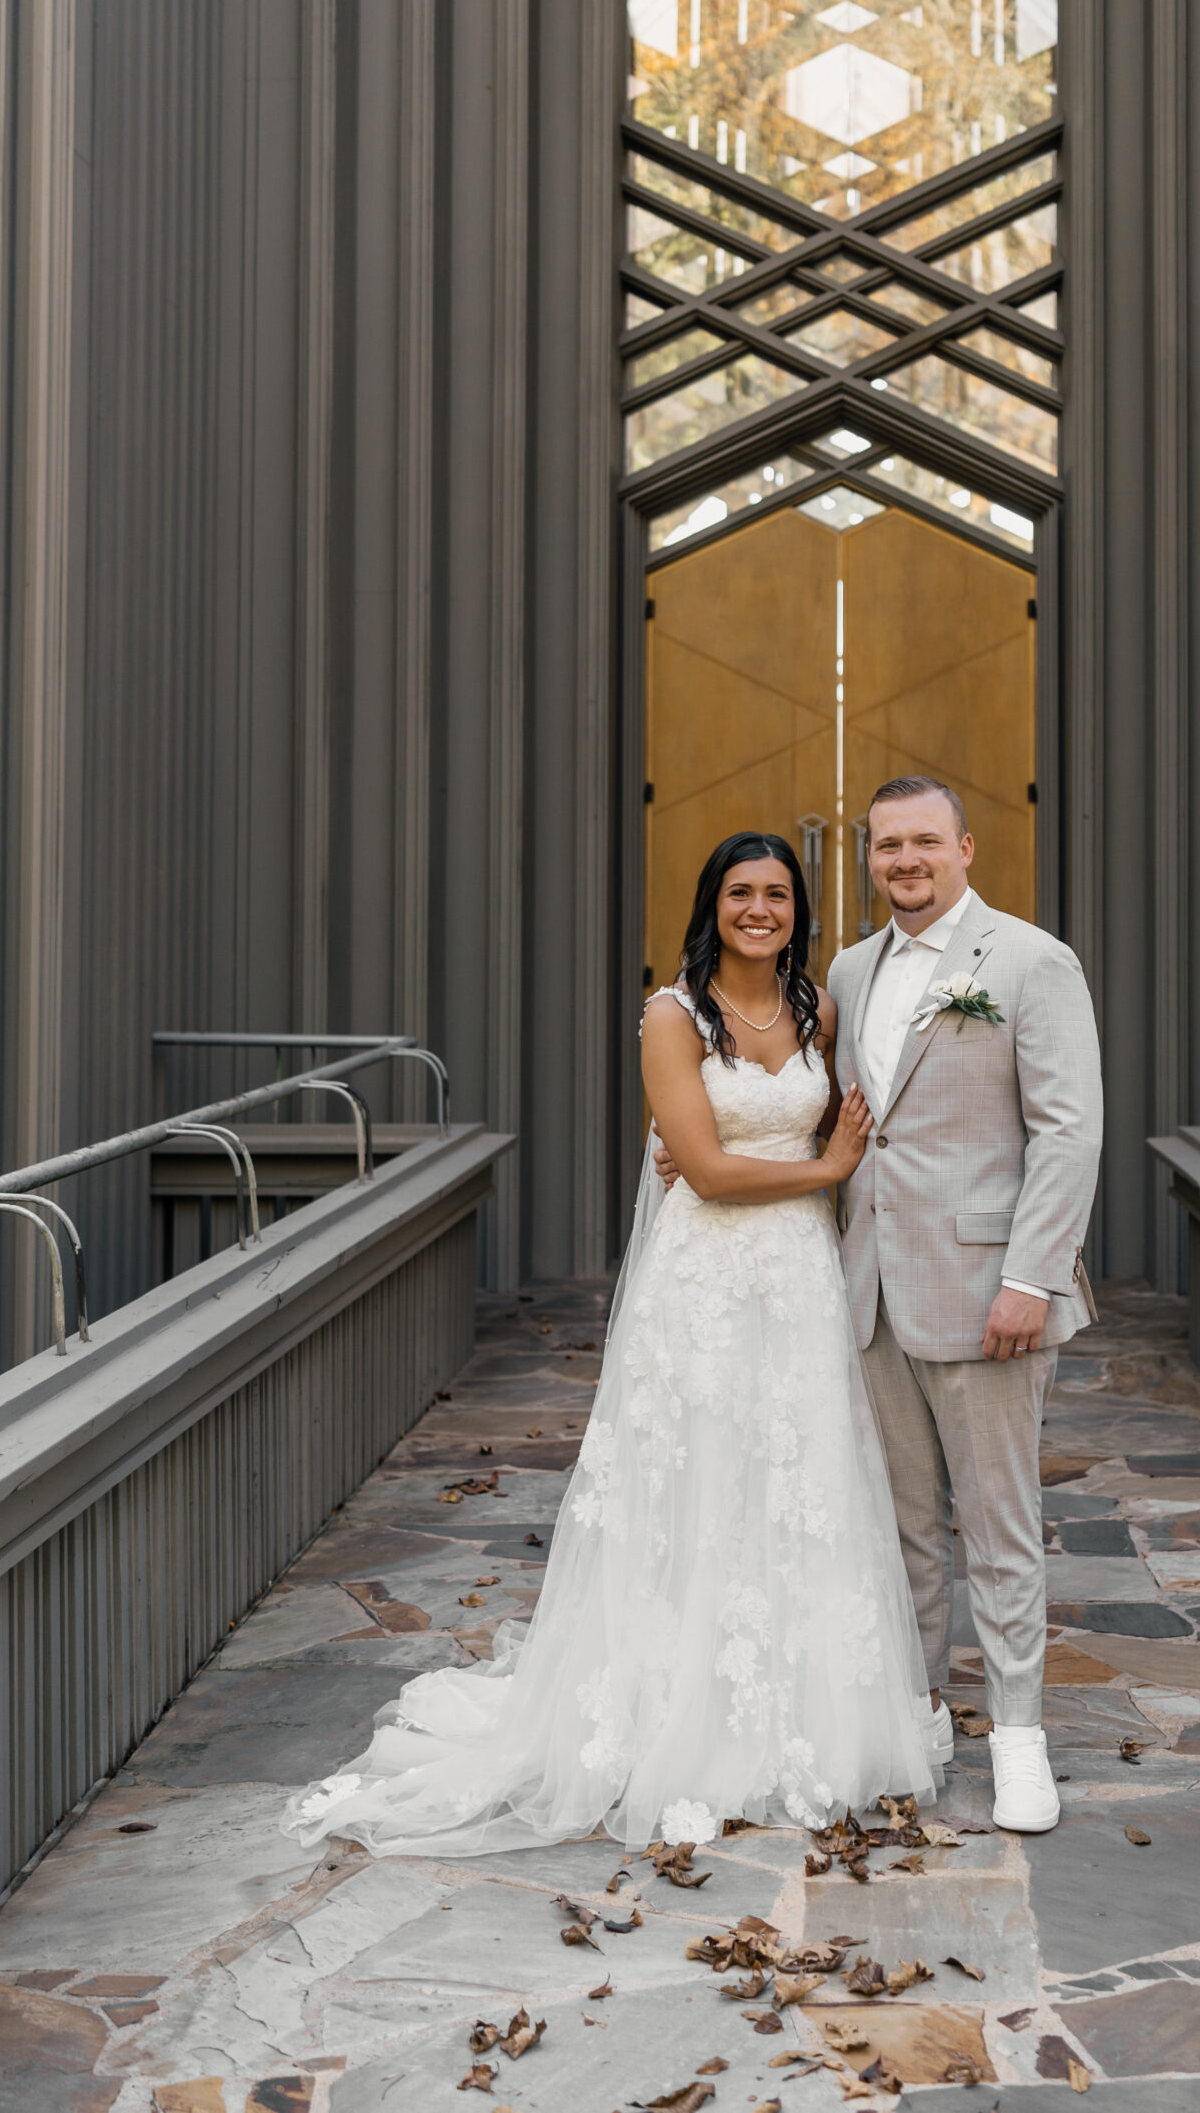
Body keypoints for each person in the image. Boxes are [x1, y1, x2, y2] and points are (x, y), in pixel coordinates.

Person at [282, 831, 936, 1857]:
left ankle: (801, 1715)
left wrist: (831, 1163)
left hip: (800, 1283)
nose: (758, 908)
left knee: (796, 1475)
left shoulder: (820, 1007)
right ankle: (677, 1718)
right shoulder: (672, 1016)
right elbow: (711, 1170)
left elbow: (828, 1131)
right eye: (739, 892)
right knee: (700, 1476)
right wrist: (824, 1166)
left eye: (776, 893)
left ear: (798, 909)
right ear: (710, 905)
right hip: (705, 1279)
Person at [827, 776, 1103, 1835]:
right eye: (887, 844)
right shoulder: (850, 969)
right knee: (901, 1525)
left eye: (925, 842)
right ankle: (924, 1710)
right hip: (874, 1290)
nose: (906, 860)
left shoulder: (1032, 961)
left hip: (991, 1287)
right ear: (869, 857)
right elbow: (853, 1124)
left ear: (966, 848)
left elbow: (1069, 1130)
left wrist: (1031, 1276)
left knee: (998, 1523)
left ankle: (1020, 1735)